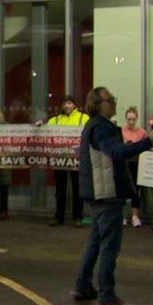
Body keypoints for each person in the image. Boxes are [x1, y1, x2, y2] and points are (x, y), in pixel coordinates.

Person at [73, 87, 153, 305]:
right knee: (109, 246)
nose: (114, 102)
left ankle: (83, 285)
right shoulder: (101, 128)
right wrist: (149, 141)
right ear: (98, 103)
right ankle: (106, 295)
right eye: (109, 99)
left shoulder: (94, 126)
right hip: (106, 193)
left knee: (96, 241)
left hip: (98, 192)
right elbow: (115, 152)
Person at [47, 95, 89, 227]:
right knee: (60, 189)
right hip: (60, 160)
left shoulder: (84, 118)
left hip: (77, 159)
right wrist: (39, 126)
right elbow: (45, 133)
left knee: (77, 189)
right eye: (64, 103)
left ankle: (77, 217)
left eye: (69, 103)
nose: (66, 106)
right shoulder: (55, 120)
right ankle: (59, 216)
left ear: (74, 105)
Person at [121, 107, 147, 227]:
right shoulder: (121, 131)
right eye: (129, 119)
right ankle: (123, 216)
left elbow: (146, 147)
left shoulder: (142, 132)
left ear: (136, 119)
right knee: (122, 189)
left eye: (133, 119)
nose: (131, 121)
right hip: (124, 163)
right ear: (126, 119)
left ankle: (135, 215)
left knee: (136, 190)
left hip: (137, 163)